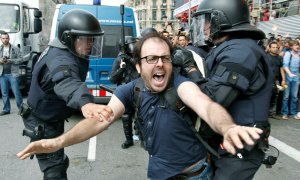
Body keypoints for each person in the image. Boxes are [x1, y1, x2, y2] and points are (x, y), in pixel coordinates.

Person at [18, 33, 263, 180]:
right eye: (151, 58)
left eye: (165, 58)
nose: (159, 63)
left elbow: (207, 106)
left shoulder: (182, 85)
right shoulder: (131, 89)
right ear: (138, 66)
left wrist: (229, 128)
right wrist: (58, 142)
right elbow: (100, 120)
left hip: (195, 174)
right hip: (157, 173)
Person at [18, 9, 108, 180]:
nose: (90, 44)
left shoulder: (64, 48)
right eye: (85, 39)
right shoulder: (60, 59)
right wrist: (86, 103)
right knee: (54, 170)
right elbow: (66, 81)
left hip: (50, 115)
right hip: (42, 120)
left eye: (92, 39)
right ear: (69, 38)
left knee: (58, 158)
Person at [191, 0, 274, 179]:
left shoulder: (240, 50)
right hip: (226, 143)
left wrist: (190, 69)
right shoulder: (232, 47)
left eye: (207, 20)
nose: (203, 26)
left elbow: (212, 99)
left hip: (239, 148)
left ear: (222, 18)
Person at [110, 36, 139, 149]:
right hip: (126, 90)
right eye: (131, 45)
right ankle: (129, 139)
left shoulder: (136, 58)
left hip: (138, 89)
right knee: (126, 116)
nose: (134, 47)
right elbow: (112, 79)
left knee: (141, 114)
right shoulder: (119, 59)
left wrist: (131, 60)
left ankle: (142, 136)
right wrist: (121, 68)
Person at [0, 32, 23, 115]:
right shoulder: (0, 48)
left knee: (16, 92)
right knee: (4, 93)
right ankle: (6, 109)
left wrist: (11, 60)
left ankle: (21, 108)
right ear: (1, 39)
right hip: (2, 74)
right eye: (3, 38)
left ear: (9, 39)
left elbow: (21, 59)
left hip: (13, 74)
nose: (5, 40)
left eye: (6, 38)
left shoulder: (15, 48)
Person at [281, 40, 300, 120]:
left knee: (295, 97)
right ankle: (285, 113)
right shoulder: (288, 54)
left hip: (296, 78)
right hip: (287, 78)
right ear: (291, 46)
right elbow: (285, 65)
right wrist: (289, 74)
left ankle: (293, 113)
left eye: (298, 45)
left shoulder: (299, 54)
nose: (297, 46)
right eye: (296, 45)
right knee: (286, 96)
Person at [266, 41, 285, 118]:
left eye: (276, 47)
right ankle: (264, 113)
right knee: (266, 96)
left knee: (275, 96)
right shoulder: (265, 57)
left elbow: (281, 69)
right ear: (269, 48)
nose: (275, 49)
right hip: (267, 80)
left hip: (276, 80)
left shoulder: (279, 57)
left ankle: (272, 113)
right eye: (273, 47)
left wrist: (283, 79)